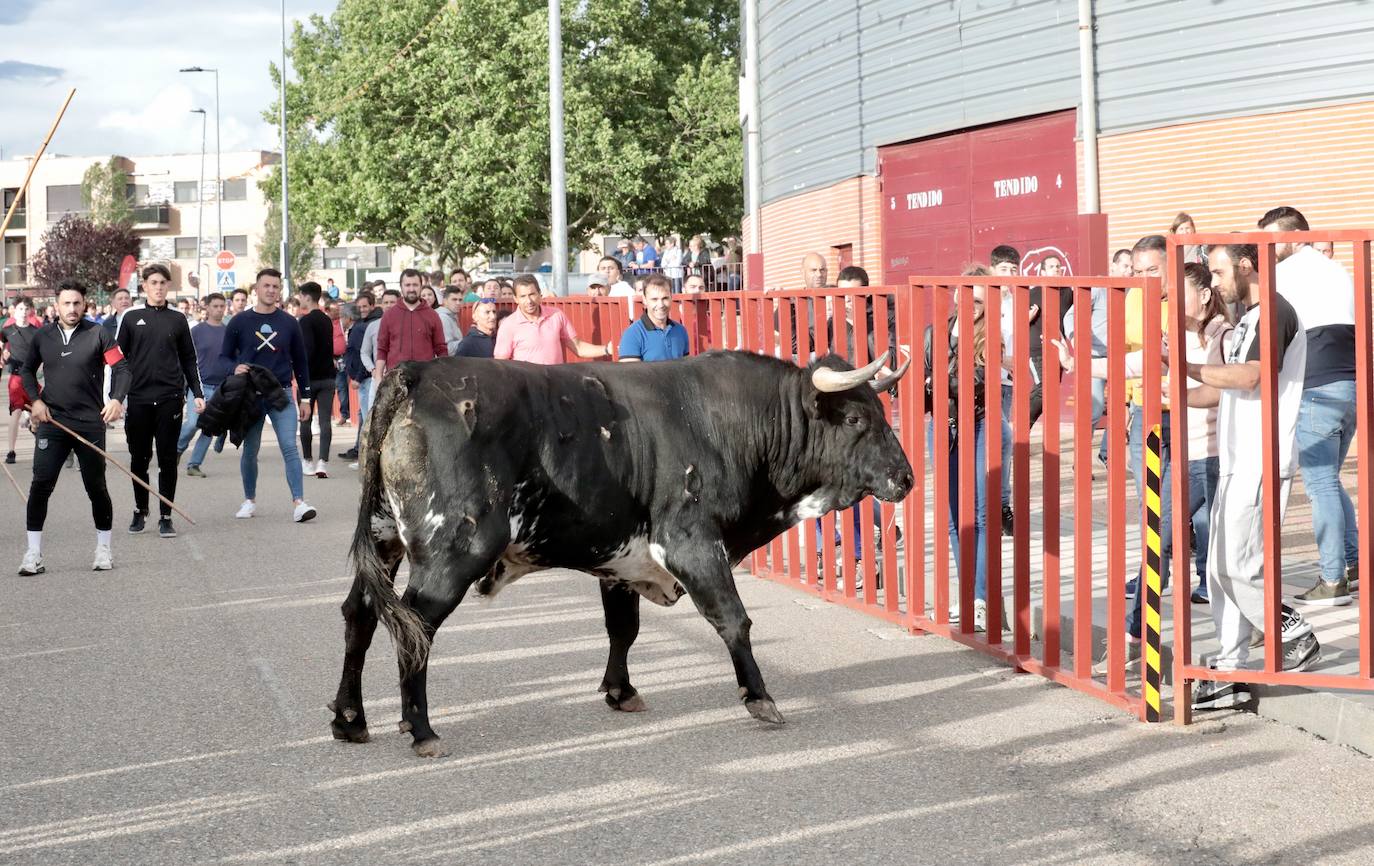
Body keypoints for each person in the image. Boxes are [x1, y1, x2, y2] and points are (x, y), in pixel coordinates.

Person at [1186, 243, 1316, 710]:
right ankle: (1231, 666)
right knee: (1219, 570)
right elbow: (1219, 393)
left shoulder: (1277, 310)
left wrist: (1187, 366)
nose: (1215, 284)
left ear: (1245, 266)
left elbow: (1249, 378)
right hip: (1238, 457)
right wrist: (1173, 388)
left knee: (1234, 564)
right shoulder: (1246, 319)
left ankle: (1289, 627)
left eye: (1218, 273)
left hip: (1264, 457)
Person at [1260, 206, 1359, 605]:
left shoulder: (1286, 273)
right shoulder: (1336, 270)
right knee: (1330, 481)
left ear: (1296, 235)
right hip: (1349, 387)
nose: (1269, 248)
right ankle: (1353, 565)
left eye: (1273, 239)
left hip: (1316, 388)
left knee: (1320, 486)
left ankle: (1333, 579)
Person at [17, 281, 129, 574]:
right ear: (56, 306)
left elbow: (121, 369)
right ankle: (33, 554)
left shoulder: (98, 333)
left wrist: (116, 399)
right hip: (52, 422)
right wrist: (36, 402)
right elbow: (26, 370)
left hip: (90, 423)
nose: (72, 309)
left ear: (85, 304)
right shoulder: (44, 336)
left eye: (77, 303)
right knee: (41, 485)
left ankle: (103, 549)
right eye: (66, 303)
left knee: (96, 487)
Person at [925, 265, 994, 629]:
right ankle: (968, 596)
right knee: (954, 517)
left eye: (981, 299)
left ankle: (981, 599)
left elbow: (976, 383)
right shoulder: (934, 334)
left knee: (980, 514)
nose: (974, 305)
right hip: (942, 425)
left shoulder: (989, 336)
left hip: (979, 423)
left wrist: (937, 381)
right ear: (956, 295)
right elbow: (922, 388)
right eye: (968, 296)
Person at [218, 268, 317, 523]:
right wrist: (233, 368)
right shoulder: (239, 322)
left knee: (289, 447)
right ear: (256, 289)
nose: (271, 290)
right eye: (266, 286)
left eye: (276, 286)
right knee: (251, 450)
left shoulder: (289, 322)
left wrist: (305, 397)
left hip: (281, 392)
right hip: (250, 393)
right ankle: (249, 500)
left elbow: (301, 362)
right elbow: (224, 356)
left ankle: (299, 502)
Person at [118, 264, 203, 538]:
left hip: (169, 399)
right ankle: (139, 509)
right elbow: (119, 361)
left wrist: (198, 393)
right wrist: (115, 398)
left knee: (167, 459)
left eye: (163, 283)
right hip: (139, 399)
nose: (158, 287)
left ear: (168, 286)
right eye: (153, 282)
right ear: (144, 285)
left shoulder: (178, 320)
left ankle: (166, 515)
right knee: (139, 459)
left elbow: (189, 360)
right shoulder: (131, 318)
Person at [494, 274, 614, 364]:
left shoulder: (556, 315)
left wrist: (607, 349)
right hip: (527, 389)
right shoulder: (508, 325)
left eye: (532, 294)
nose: (528, 301)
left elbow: (578, 347)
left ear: (540, 294)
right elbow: (501, 364)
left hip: (555, 385)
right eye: (523, 296)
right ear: (515, 299)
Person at [177, 292, 231, 478]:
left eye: (221, 306)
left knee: (208, 428)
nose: (219, 309)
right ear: (207, 308)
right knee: (192, 423)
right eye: (215, 306)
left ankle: (194, 464)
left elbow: (233, 358)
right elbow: (186, 358)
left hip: (220, 388)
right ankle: (177, 449)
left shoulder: (228, 331)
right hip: (199, 386)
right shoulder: (197, 331)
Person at [296, 282, 337, 479]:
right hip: (328, 376)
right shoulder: (326, 319)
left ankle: (307, 460)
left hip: (309, 379)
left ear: (306, 296)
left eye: (301, 296)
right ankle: (323, 462)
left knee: (305, 419)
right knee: (325, 421)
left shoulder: (305, 321)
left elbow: (307, 350)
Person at [375, 268, 447, 381]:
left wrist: (444, 376)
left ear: (421, 286)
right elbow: (382, 349)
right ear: (401, 287)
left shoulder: (432, 315)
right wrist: (378, 377)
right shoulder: (389, 316)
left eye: (415, 285)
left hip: (425, 380)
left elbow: (441, 349)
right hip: (395, 380)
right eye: (407, 285)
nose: (411, 289)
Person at [338, 290, 381, 463]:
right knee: (364, 416)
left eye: (365, 306)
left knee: (368, 417)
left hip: (365, 379)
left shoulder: (359, 329)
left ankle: (365, 456)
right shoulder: (364, 326)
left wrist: (357, 376)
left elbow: (363, 355)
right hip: (366, 377)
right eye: (360, 306)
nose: (362, 309)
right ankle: (360, 450)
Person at [3, 299, 41, 464]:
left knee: (37, 415)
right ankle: (11, 451)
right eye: (20, 308)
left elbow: (42, 352)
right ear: (14, 311)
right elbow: (1, 343)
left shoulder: (36, 331)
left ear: (31, 310)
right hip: (16, 378)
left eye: (26, 309)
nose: (23, 312)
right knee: (16, 412)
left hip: (31, 378)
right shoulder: (6, 330)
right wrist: (3, 354)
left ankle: (34, 430)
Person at [617, 275, 689, 362]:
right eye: (654, 299)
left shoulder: (680, 330)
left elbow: (686, 369)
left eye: (665, 298)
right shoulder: (632, 334)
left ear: (671, 297)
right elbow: (629, 374)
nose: (661, 305)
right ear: (644, 300)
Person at [328, 298, 350, 427]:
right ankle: (330, 412)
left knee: (342, 386)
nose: (336, 312)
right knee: (331, 387)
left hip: (342, 357)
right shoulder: (325, 323)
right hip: (330, 358)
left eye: (337, 309)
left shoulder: (342, 323)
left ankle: (344, 414)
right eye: (333, 310)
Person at [436, 286, 464, 355]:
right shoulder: (444, 318)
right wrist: (467, 341)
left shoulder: (451, 316)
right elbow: (448, 349)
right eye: (454, 299)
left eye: (460, 300)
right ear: (445, 301)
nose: (458, 303)